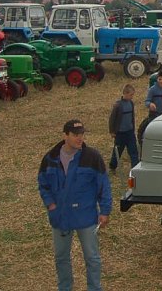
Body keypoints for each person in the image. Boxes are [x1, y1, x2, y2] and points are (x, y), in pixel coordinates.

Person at [37, 119, 111, 291]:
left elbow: (103, 185)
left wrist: (105, 210)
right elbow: (43, 183)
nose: (80, 138)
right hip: (60, 217)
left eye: (82, 134)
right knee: (61, 257)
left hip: (85, 217)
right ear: (65, 136)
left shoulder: (92, 157)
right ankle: (65, 287)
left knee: (92, 257)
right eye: (75, 135)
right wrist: (51, 205)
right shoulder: (50, 158)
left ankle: (94, 288)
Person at [108, 84, 139, 172]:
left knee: (133, 151)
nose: (132, 97)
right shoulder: (118, 105)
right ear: (125, 94)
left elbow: (132, 117)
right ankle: (112, 166)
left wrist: (133, 128)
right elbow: (112, 119)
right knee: (117, 151)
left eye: (133, 95)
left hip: (129, 132)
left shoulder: (131, 103)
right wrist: (112, 131)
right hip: (120, 133)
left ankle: (135, 170)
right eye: (131, 95)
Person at [138, 71, 162, 146]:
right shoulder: (152, 89)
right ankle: (144, 143)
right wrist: (150, 104)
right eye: (160, 79)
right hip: (154, 114)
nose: (161, 81)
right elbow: (147, 101)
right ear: (157, 79)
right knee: (149, 129)